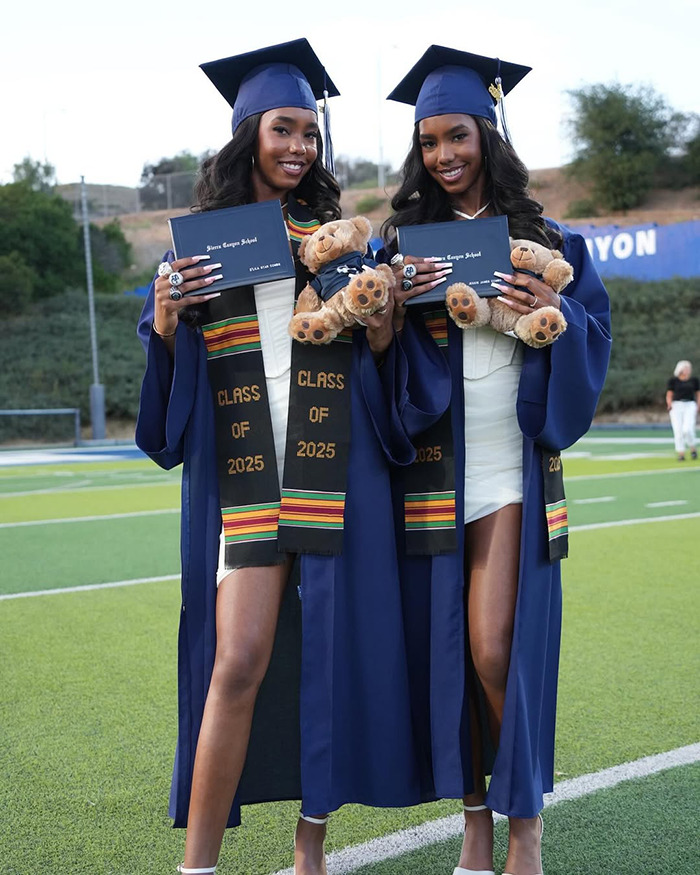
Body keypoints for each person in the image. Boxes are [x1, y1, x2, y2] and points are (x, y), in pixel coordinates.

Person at [135, 39, 454, 875]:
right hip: (245, 478)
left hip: (331, 467)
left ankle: (310, 852)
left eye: (309, 133)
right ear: (247, 133)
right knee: (237, 660)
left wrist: (383, 327)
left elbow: (392, 374)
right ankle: (196, 865)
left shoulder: (346, 244)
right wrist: (166, 322)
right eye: (283, 129)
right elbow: (166, 419)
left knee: (328, 651)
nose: (298, 148)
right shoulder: (197, 251)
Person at [380, 46, 612, 875]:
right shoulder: (400, 241)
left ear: (487, 134)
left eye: (458, 137)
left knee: (493, 644)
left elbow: (591, 336)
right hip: (435, 471)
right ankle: (477, 824)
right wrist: (386, 315)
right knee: (450, 654)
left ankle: (526, 827)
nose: (444, 156)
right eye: (430, 142)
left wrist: (557, 310)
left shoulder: (544, 235)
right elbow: (378, 366)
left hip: (512, 464)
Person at [665, 360, 699, 461]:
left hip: (690, 404)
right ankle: (681, 453)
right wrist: (669, 404)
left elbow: (698, 393)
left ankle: (692, 447)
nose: (688, 370)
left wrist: (698, 405)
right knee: (678, 430)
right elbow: (669, 394)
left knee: (687, 429)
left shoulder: (694, 380)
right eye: (686, 368)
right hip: (677, 405)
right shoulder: (673, 381)